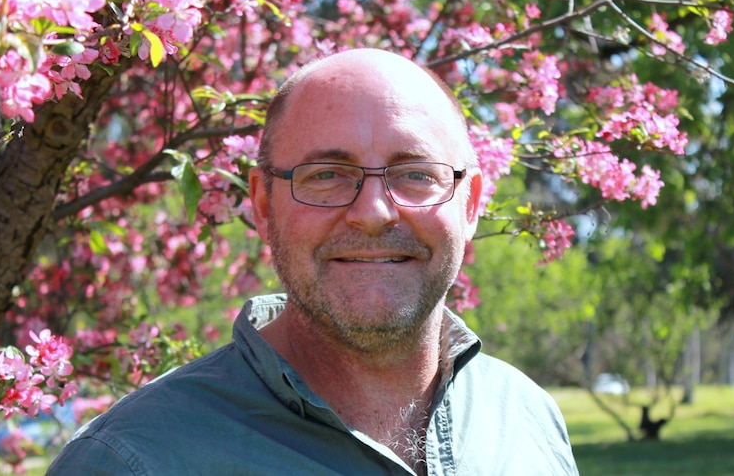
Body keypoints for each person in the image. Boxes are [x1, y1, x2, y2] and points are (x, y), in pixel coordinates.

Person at [46, 48, 579, 475]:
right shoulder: (131, 460)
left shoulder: (526, 417)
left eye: (416, 173)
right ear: (261, 204)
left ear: (469, 205)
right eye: (326, 174)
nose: (372, 214)